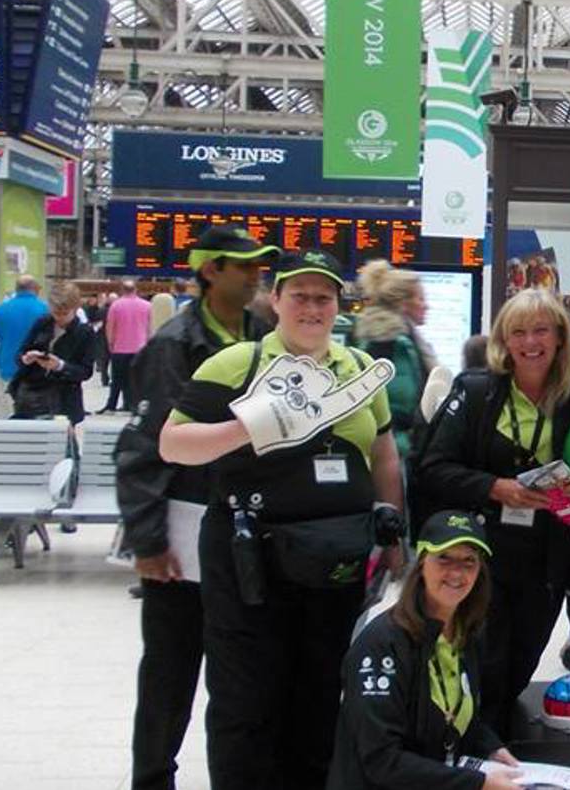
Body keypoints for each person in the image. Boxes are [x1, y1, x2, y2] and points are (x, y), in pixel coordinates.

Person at [159, 249, 405, 789]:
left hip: (336, 560)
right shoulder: (236, 365)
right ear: (276, 300)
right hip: (249, 561)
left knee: (319, 691)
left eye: (323, 297)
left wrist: (393, 533)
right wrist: (251, 425)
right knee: (246, 697)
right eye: (300, 295)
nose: (311, 308)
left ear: (339, 306)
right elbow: (173, 443)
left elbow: (383, 453)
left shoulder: (361, 371)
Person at [415, 288, 570, 739]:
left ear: (559, 338)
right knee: (483, 661)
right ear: (504, 340)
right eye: (519, 332)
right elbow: (433, 467)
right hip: (483, 552)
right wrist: (496, 488)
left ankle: (502, 750)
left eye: (541, 330)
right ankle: (476, 753)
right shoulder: (475, 391)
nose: (531, 341)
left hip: (547, 554)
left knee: (522, 662)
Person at [115, 225, 277, 790]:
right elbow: (141, 449)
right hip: (183, 534)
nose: (257, 274)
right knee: (170, 672)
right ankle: (153, 779)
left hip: (249, 531)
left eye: (259, 265)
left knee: (239, 676)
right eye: (244, 266)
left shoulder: (266, 334)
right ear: (210, 271)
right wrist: (148, 541)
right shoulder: (173, 345)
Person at [327, 510, 524, 790]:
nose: (457, 572)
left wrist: (491, 747)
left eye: (469, 561)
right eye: (444, 558)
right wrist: (478, 783)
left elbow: (455, 718)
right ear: (421, 562)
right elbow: (381, 760)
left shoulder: (467, 632)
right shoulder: (381, 644)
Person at [352, 260, 437, 459]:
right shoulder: (389, 343)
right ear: (403, 303)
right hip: (394, 454)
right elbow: (396, 409)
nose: (426, 305)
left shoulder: (398, 339)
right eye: (420, 298)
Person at [8, 282, 95, 423]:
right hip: (32, 395)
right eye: (55, 312)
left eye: (65, 313)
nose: (59, 317)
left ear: (76, 308)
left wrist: (60, 366)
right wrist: (26, 359)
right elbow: (21, 353)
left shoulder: (84, 332)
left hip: (64, 399)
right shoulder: (42, 323)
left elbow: (86, 371)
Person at [0, 274, 49, 417]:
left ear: (16, 289)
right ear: (36, 289)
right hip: (39, 374)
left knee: (6, 421)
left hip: (8, 372)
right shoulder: (45, 310)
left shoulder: (0, 310)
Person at [104, 280, 154, 413]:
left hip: (120, 348)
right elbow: (150, 327)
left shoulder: (115, 305)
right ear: (136, 289)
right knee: (137, 380)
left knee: (117, 379)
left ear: (122, 290)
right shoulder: (147, 306)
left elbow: (110, 327)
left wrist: (110, 343)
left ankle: (111, 405)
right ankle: (134, 405)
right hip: (140, 348)